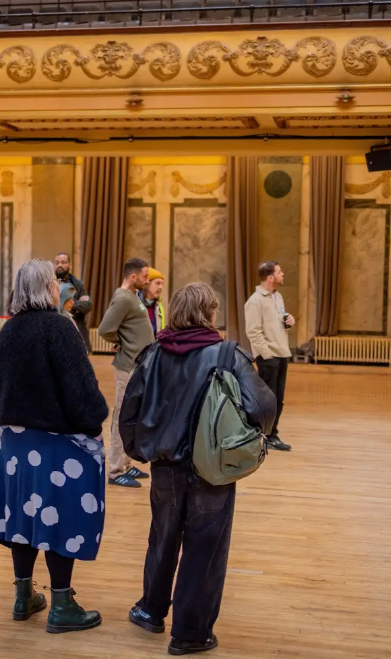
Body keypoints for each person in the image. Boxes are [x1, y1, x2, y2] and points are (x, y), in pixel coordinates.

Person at [119, 282, 275, 656]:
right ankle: (190, 634)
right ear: (208, 313)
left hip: (164, 466)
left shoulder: (153, 353)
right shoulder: (227, 354)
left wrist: (139, 450)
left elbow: (130, 410)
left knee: (163, 537)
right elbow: (263, 405)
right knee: (204, 548)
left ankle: (150, 611)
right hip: (212, 467)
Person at [0, 259, 109, 633]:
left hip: (16, 442)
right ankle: (62, 604)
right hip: (58, 443)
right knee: (61, 518)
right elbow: (81, 388)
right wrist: (95, 421)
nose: (60, 288)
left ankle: (24, 596)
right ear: (47, 289)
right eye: (55, 284)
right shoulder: (60, 327)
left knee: (23, 518)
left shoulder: (9, 330)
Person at [98, 257, 155, 488]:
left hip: (138, 366)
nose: (146, 280)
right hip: (128, 367)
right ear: (133, 277)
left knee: (131, 418)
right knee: (122, 417)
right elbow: (104, 329)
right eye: (144, 276)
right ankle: (114, 471)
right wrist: (120, 340)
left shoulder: (133, 297)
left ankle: (126, 463)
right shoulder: (122, 297)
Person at [243, 261, 295, 452]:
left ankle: (272, 434)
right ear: (270, 277)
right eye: (280, 272)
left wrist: (288, 322)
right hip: (269, 357)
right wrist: (267, 356)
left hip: (282, 354)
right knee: (267, 400)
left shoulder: (278, 297)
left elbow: (278, 322)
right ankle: (263, 435)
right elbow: (253, 332)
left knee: (278, 399)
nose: (283, 275)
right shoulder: (255, 301)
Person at [54, 253, 93, 352]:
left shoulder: (77, 284)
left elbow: (87, 305)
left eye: (63, 262)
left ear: (70, 265)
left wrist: (68, 302)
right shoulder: (48, 282)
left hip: (75, 329)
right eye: (57, 262)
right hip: (53, 329)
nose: (60, 265)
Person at [140, 268, 166, 335]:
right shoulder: (134, 301)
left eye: (162, 284)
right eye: (157, 283)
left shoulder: (159, 307)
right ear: (147, 284)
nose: (161, 287)